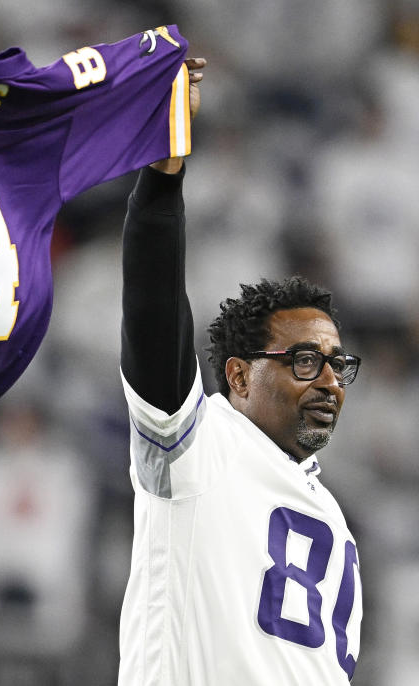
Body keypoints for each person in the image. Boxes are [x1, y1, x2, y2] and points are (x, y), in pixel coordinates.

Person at [117, 59, 364, 683]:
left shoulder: (332, 516)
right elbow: (154, 308)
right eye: (306, 361)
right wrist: (162, 177)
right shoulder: (202, 446)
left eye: (337, 365)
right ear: (237, 376)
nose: (330, 381)